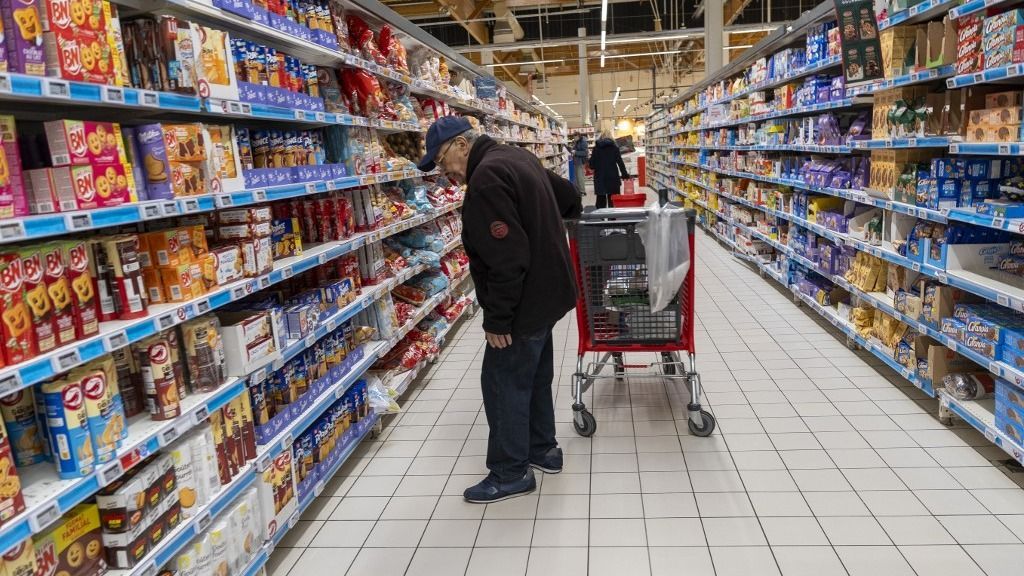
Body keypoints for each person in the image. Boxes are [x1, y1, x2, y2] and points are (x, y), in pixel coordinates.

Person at [417, 116, 579, 503]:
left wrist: (498, 318)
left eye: (442, 161)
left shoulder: (487, 179)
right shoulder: (517, 156)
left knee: (502, 383)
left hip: (523, 301)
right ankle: (543, 449)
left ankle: (510, 472)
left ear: (461, 145)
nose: (445, 173)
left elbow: (507, 259)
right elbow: (570, 197)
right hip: (550, 292)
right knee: (535, 375)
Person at [589, 131, 631, 209]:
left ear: (601, 137)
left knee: (600, 201)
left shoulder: (596, 148)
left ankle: (600, 218)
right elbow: (620, 163)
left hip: (600, 177)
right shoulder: (615, 148)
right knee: (613, 200)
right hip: (613, 177)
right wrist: (625, 175)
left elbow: (591, 165)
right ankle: (612, 219)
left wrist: (595, 166)